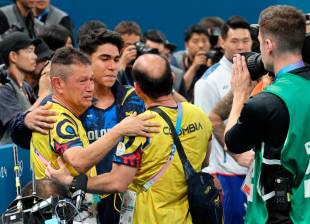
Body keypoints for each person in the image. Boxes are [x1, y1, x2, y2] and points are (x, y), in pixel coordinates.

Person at [46, 53, 213, 224]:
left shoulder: (138, 127)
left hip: (150, 218)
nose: (89, 87)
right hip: (192, 216)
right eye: (83, 81)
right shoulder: (199, 115)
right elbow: (204, 162)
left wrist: (71, 180)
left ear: (137, 89)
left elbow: (117, 182)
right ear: (172, 78)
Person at [225, 5, 310, 223]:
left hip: (279, 215)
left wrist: (239, 94)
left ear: (268, 45)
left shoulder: (266, 103)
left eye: (259, 42)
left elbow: (232, 142)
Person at [30, 47, 158, 181]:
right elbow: (79, 161)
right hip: (59, 199)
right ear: (58, 84)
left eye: (91, 80)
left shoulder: (69, 112)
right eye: (82, 81)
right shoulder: (54, 117)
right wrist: (121, 129)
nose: (90, 88)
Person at [194, 16, 253, 224]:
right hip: (227, 175)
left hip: (255, 173)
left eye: (245, 40)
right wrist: (234, 155)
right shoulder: (208, 82)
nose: (240, 46)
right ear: (221, 42)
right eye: (234, 41)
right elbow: (205, 129)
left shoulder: (259, 73)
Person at [0, 31, 40, 144]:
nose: (35, 56)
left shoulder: (26, 87)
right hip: (8, 158)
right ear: (13, 56)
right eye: (29, 51)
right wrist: (45, 93)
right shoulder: (3, 89)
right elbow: (16, 127)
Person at [171, 24, 211, 102]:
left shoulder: (216, 60)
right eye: (195, 41)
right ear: (187, 45)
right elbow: (178, 90)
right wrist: (194, 66)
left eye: (204, 41)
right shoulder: (177, 60)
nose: (201, 45)